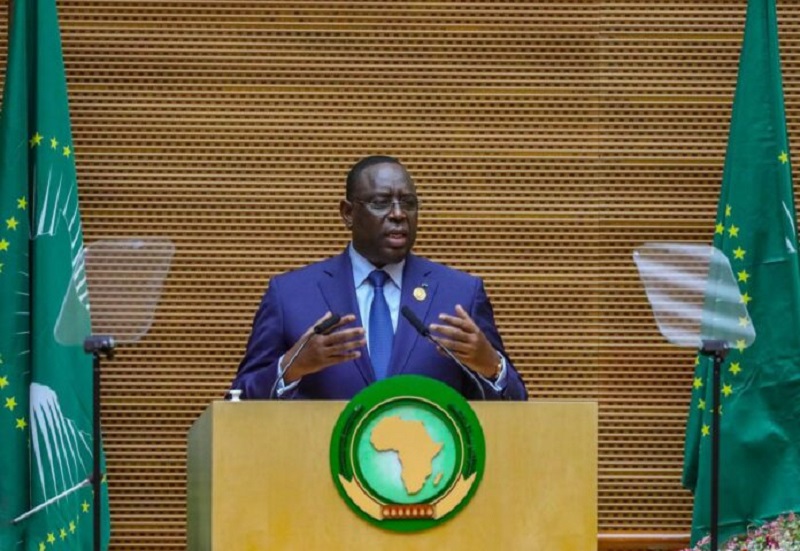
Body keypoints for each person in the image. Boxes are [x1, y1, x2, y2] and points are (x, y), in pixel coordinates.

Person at [230, 155, 528, 400]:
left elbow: (516, 405)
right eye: (381, 202)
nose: (398, 214)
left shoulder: (460, 294)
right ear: (348, 213)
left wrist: (491, 365)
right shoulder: (290, 295)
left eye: (408, 203)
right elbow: (239, 401)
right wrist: (291, 367)